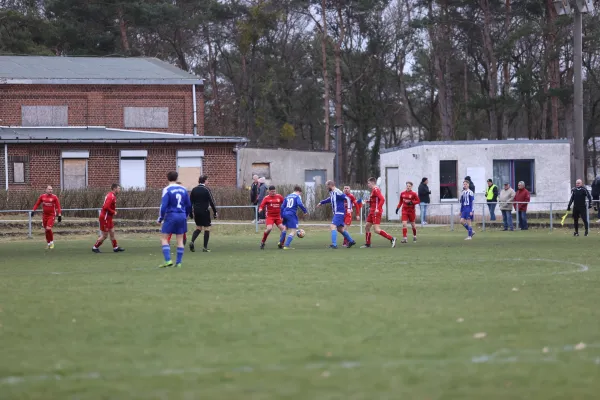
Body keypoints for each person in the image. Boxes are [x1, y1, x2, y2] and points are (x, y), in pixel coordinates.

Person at [158, 171, 192, 268]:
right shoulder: (184, 189)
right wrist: (186, 215)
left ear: (167, 178)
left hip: (171, 215)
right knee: (180, 240)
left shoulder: (167, 189)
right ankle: (179, 262)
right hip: (181, 215)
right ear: (177, 178)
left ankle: (168, 260)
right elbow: (189, 205)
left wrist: (160, 218)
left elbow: (163, 206)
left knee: (164, 238)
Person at [317, 180, 357, 249]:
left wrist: (349, 208)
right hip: (338, 212)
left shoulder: (337, 191)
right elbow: (331, 199)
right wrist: (322, 202)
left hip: (339, 212)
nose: (326, 187)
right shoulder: (332, 192)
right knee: (340, 229)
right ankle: (351, 241)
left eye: (327, 186)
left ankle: (334, 245)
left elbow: (347, 198)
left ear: (330, 185)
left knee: (333, 226)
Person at [362, 177, 396, 248]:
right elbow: (375, 201)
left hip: (376, 212)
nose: (368, 184)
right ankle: (368, 244)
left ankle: (392, 239)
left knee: (376, 230)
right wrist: (367, 201)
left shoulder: (376, 190)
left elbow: (382, 199)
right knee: (367, 227)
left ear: (372, 183)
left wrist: (378, 208)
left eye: (368, 183)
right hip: (372, 211)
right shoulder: (373, 190)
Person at [92, 184, 125, 253]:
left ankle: (115, 247)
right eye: (118, 188)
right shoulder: (111, 196)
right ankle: (95, 247)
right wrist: (113, 212)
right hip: (105, 218)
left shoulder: (112, 196)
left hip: (109, 218)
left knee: (112, 232)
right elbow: (106, 207)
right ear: (114, 189)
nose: (119, 190)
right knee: (105, 235)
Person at [189, 175, 218, 252]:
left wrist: (190, 213)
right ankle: (205, 247)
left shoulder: (194, 190)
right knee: (207, 228)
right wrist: (215, 212)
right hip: (204, 211)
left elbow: (190, 202)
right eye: (207, 180)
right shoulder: (206, 189)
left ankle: (192, 241)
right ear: (205, 181)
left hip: (196, 211)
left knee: (198, 228)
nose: (208, 182)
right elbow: (212, 201)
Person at [32, 185, 62, 249]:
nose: (50, 190)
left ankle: (52, 243)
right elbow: (37, 204)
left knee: (48, 228)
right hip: (44, 215)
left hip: (51, 215)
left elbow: (58, 206)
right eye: (49, 189)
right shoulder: (42, 196)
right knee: (46, 230)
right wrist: (33, 210)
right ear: (46, 190)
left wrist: (59, 215)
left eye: (51, 189)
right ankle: (48, 243)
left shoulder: (54, 197)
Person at [258, 185, 285, 249]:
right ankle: (263, 242)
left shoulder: (279, 197)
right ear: (269, 191)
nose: (273, 192)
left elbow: (285, 203)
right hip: (270, 216)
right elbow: (261, 205)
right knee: (269, 229)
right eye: (272, 191)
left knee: (283, 230)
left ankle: (281, 244)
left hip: (278, 217)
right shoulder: (266, 198)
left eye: (274, 191)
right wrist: (260, 209)